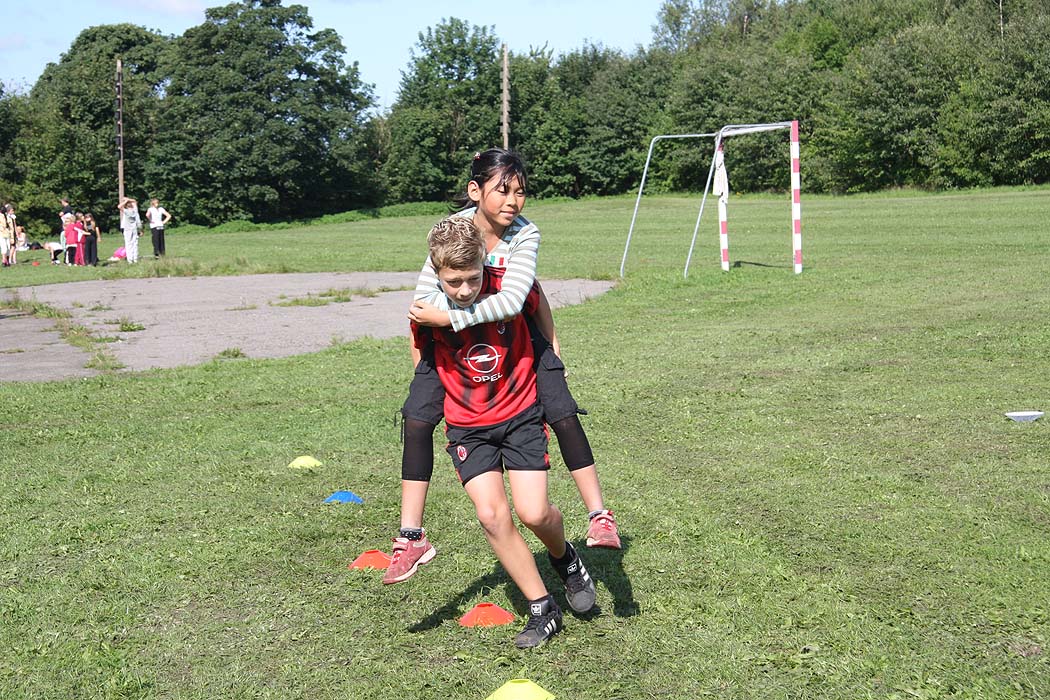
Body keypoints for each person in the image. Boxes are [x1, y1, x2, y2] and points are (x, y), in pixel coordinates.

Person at [383, 149, 620, 586]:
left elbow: (518, 300)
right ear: (475, 191)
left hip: (520, 335)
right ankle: (411, 536)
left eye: (521, 192)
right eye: (503, 191)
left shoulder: (524, 233)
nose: (513, 201)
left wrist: (551, 345)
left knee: (562, 410)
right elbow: (422, 301)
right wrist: (432, 347)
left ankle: (599, 515)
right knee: (416, 418)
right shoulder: (454, 232)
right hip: (454, 344)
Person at [411, 216, 596, 648]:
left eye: (472, 278)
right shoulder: (426, 306)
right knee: (492, 516)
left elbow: (538, 304)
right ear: (437, 273)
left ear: (484, 263)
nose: (463, 290)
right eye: (453, 282)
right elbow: (421, 354)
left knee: (534, 513)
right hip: (467, 426)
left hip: (520, 415)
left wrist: (553, 356)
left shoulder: (509, 286)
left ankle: (566, 558)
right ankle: (542, 608)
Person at [118, 197, 141, 263]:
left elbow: (119, 206)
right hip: (134, 229)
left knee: (128, 244)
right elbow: (135, 201)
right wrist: (129, 199)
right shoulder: (135, 210)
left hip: (127, 229)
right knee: (135, 244)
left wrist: (126, 200)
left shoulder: (126, 211)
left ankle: (130, 260)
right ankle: (135, 259)